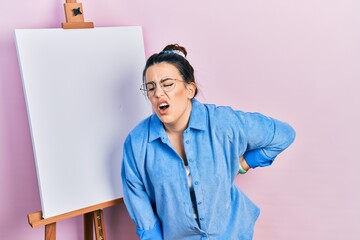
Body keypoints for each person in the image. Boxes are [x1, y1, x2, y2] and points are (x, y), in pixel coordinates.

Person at [121, 44, 296, 240]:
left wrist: (244, 164)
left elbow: (283, 134)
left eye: (167, 84)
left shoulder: (223, 123)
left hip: (231, 233)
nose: (158, 93)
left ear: (189, 89)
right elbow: (136, 194)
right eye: (151, 88)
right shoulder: (137, 143)